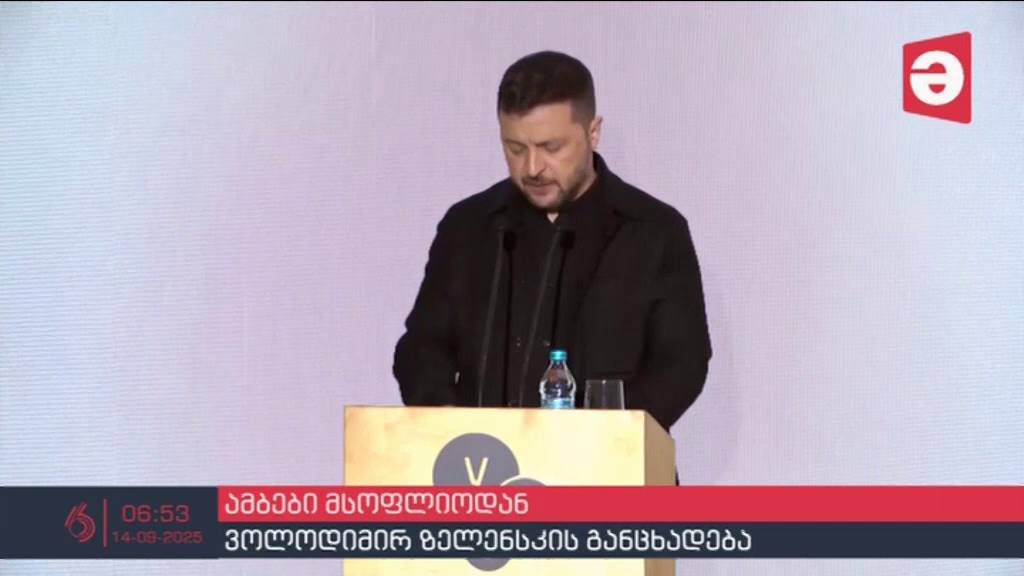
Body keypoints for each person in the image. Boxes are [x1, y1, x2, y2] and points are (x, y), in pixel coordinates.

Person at [393, 50, 712, 434]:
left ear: (593, 132)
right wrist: (448, 426)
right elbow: (422, 348)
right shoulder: (468, 227)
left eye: (551, 147)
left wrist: (610, 439)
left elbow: (682, 364)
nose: (532, 168)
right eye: (515, 148)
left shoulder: (654, 231)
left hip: (608, 464)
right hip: (483, 463)